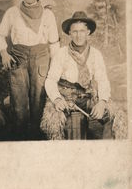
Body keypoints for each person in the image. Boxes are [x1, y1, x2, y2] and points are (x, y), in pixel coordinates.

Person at [0, 0, 60, 140]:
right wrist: (4, 52)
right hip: (18, 58)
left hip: (42, 58)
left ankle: (37, 138)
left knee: (39, 98)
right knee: (19, 100)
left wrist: (56, 67)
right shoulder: (12, 12)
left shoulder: (48, 14)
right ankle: (20, 138)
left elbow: (54, 43)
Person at [40, 11, 114, 140]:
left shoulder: (95, 54)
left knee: (111, 118)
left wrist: (102, 102)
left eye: (82, 31)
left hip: (87, 96)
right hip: (67, 98)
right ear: (69, 33)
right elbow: (51, 80)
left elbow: (102, 80)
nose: (78, 35)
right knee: (74, 125)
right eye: (74, 31)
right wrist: (57, 99)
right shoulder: (61, 54)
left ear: (88, 32)